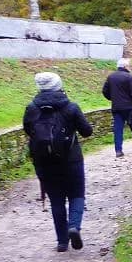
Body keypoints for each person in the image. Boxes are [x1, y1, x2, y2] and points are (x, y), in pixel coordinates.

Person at [23, 72, 94, 252]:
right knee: (77, 194)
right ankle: (74, 226)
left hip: (44, 162)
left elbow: (28, 130)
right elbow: (87, 131)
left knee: (56, 200)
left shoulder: (32, 108)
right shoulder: (71, 107)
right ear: (59, 85)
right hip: (71, 160)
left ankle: (62, 241)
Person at [102, 58, 132, 158]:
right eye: (129, 65)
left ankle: (118, 150)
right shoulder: (129, 77)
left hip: (117, 107)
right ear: (125, 66)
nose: (129, 67)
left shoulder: (111, 77)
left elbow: (105, 91)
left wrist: (112, 98)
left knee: (118, 128)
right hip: (129, 107)